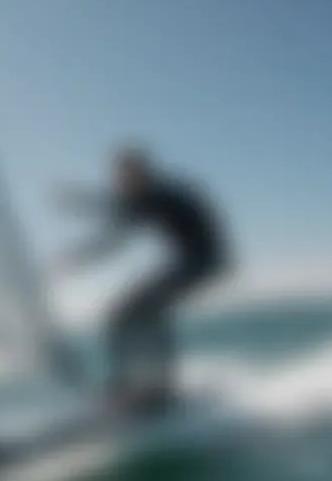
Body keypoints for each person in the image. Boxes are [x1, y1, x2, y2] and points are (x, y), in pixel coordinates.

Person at [57, 147, 230, 410]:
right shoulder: (146, 197)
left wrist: (78, 206)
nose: (119, 183)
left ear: (141, 173)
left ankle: (155, 386)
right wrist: (78, 249)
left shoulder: (158, 195)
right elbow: (114, 211)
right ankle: (134, 384)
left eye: (124, 176)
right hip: (189, 262)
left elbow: (114, 222)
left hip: (203, 261)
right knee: (121, 315)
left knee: (143, 310)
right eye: (117, 177)